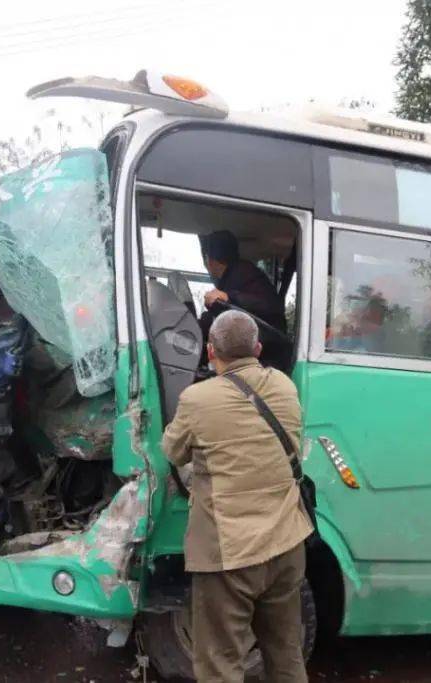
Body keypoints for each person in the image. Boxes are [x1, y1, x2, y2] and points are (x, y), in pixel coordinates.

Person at [161, 310, 312, 683]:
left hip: (230, 556)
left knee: (220, 663)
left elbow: (172, 451)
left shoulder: (197, 398)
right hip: (287, 544)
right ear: (258, 348)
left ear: (209, 351)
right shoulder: (284, 385)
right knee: (286, 653)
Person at [200, 229, 286, 333]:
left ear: (209, 259)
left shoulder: (243, 272)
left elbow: (272, 305)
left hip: (267, 344)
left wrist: (228, 297)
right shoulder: (228, 278)